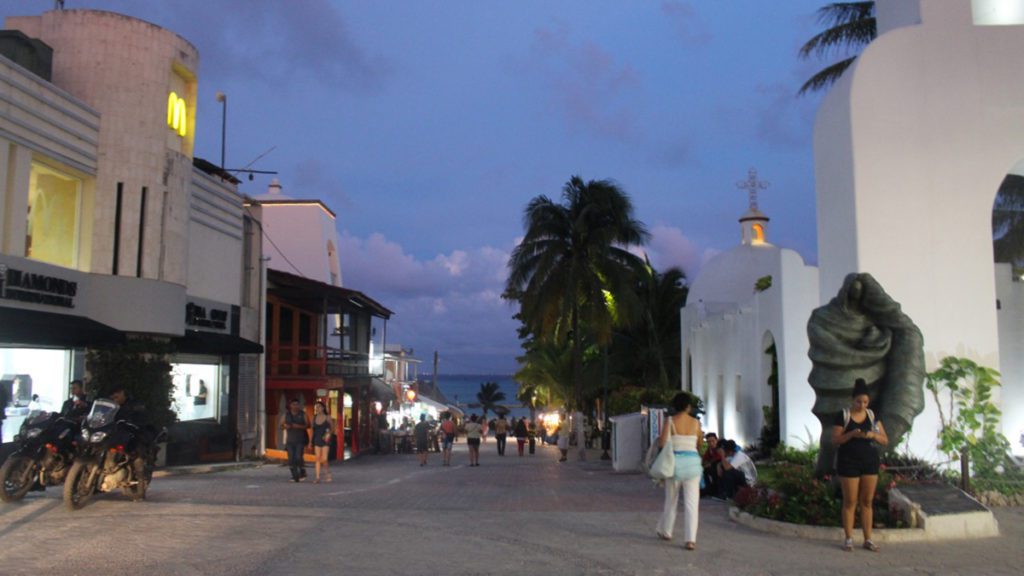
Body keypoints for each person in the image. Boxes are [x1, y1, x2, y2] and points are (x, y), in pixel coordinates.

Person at [833, 378, 889, 552]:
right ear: (852, 400)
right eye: (859, 401)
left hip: (869, 461)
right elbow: (835, 440)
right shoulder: (843, 415)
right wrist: (852, 434)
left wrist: (872, 435)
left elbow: (885, 440)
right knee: (850, 501)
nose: (862, 405)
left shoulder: (872, 416)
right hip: (848, 462)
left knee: (867, 501)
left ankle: (868, 539)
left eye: (865, 402)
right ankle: (849, 538)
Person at [655, 393, 703, 551]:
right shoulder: (696, 423)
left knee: (671, 499)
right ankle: (690, 539)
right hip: (693, 465)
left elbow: (662, 442)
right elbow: (699, 443)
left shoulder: (670, 421)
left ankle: (667, 531)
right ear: (688, 406)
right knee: (692, 503)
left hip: (675, 465)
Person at [109, 385, 156, 485]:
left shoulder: (135, 404)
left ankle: (140, 479)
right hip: (118, 433)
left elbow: (141, 417)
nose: (114, 397)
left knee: (137, 453)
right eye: (113, 396)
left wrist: (132, 422)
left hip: (134, 433)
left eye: (117, 394)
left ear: (123, 393)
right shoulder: (112, 406)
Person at [280, 399, 309, 482]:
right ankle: (294, 475)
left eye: (297, 404)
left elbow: (308, 425)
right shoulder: (286, 415)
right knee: (291, 458)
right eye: (294, 404)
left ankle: (302, 470)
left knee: (298, 457)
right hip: (290, 440)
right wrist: (285, 426)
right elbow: (281, 426)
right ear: (290, 405)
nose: (295, 406)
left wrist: (298, 426)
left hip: (300, 439)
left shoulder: (303, 414)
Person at [310, 401, 333, 483]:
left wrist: (328, 434)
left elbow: (332, 428)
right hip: (317, 439)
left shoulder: (327, 417)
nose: (317, 408)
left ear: (323, 408)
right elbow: (312, 431)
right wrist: (310, 442)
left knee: (324, 459)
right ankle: (317, 477)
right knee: (317, 458)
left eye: (319, 407)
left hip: (325, 440)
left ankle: (327, 473)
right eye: (316, 407)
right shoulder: (314, 418)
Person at [700, 432, 722, 498]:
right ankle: (708, 489)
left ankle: (715, 490)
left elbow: (718, 460)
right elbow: (704, 460)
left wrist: (708, 464)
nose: (711, 443)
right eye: (709, 442)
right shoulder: (709, 450)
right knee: (704, 470)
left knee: (712, 467)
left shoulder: (720, 448)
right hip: (713, 468)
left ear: (717, 440)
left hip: (720, 468)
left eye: (713, 441)